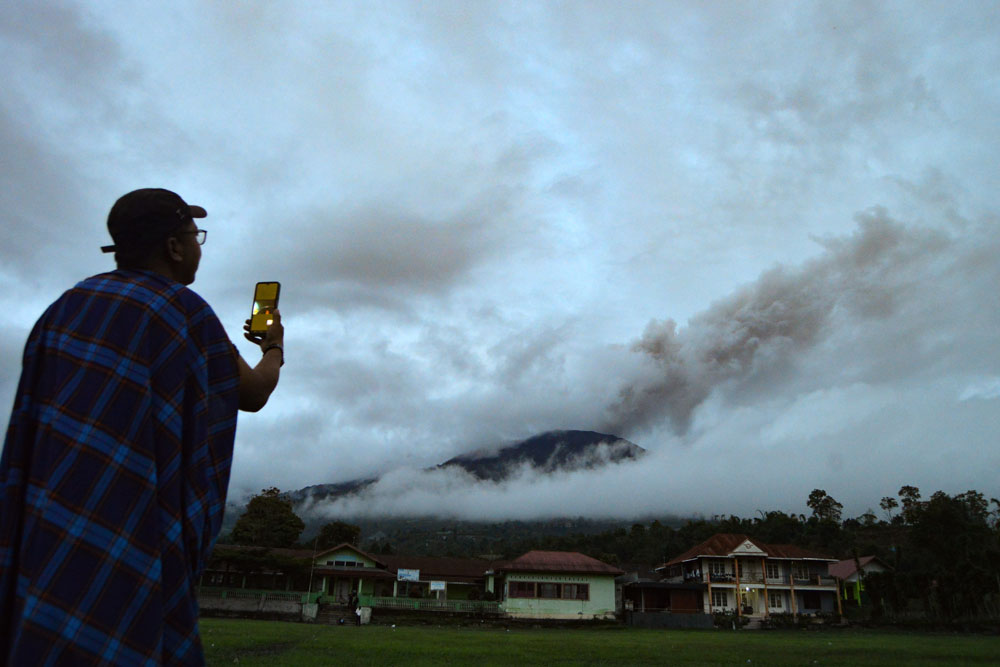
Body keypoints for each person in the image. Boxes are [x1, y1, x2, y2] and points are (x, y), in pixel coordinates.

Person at [0, 188, 284, 665]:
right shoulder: (184, 312)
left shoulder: (63, 310)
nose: (198, 248)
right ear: (174, 247)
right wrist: (273, 346)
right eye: (196, 238)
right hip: (136, 523)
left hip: (48, 522)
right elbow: (253, 394)